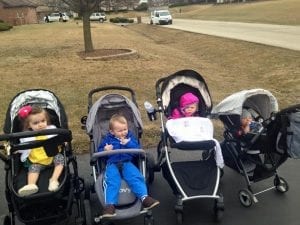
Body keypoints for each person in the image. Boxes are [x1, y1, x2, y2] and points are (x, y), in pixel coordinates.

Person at [98, 114, 159, 218]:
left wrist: (129, 143)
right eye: (120, 131)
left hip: (127, 162)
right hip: (112, 163)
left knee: (135, 177)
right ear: (112, 132)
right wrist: (105, 150)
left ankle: (145, 198)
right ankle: (110, 205)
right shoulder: (107, 140)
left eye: (125, 129)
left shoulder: (130, 138)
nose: (123, 132)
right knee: (112, 181)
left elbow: (137, 151)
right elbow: (99, 153)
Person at [167, 92, 224, 169]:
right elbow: (175, 124)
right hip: (183, 134)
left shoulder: (197, 115)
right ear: (182, 107)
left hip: (196, 134)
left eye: (192, 108)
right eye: (187, 107)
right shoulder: (177, 113)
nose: (189, 110)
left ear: (196, 108)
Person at [17, 105, 64, 197]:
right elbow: (23, 147)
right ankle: (31, 185)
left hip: (52, 156)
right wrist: (17, 150)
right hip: (37, 161)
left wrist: (62, 142)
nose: (41, 124)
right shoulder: (26, 136)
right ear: (28, 125)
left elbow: (58, 140)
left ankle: (54, 180)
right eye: (36, 123)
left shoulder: (52, 130)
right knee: (33, 168)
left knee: (60, 159)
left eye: (43, 121)